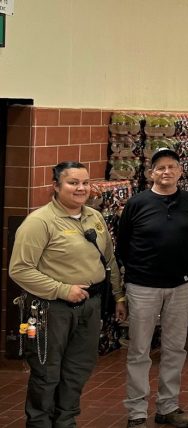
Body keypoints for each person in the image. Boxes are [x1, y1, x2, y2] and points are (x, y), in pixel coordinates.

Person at [10, 161, 115, 427]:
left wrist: (119, 295)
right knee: (46, 373)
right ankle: (40, 423)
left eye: (85, 182)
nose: (81, 188)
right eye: (72, 183)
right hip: (51, 308)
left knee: (78, 370)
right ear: (55, 187)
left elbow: (109, 260)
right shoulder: (39, 222)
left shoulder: (95, 217)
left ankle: (66, 422)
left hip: (90, 305)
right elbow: (20, 269)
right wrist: (63, 290)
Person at [115, 148, 188, 428]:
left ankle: (168, 407)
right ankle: (137, 412)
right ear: (151, 173)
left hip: (180, 286)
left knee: (175, 349)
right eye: (160, 167)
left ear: (180, 171)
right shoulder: (137, 203)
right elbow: (123, 244)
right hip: (143, 286)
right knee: (139, 350)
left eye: (172, 166)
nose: (166, 172)